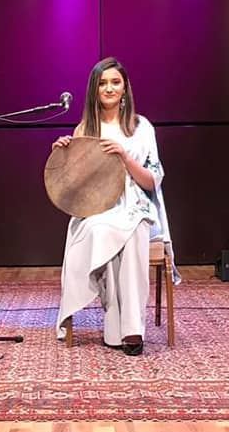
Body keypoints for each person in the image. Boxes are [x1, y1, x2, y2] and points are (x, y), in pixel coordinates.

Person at [53, 57, 176, 356]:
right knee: (100, 230)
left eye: (115, 82)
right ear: (94, 90)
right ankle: (114, 326)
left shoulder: (141, 127)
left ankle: (132, 328)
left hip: (135, 203)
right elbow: (76, 186)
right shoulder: (85, 128)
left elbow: (152, 182)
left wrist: (124, 156)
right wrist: (63, 156)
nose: (109, 88)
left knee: (132, 231)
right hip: (97, 207)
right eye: (102, 83)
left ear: (124, 88)